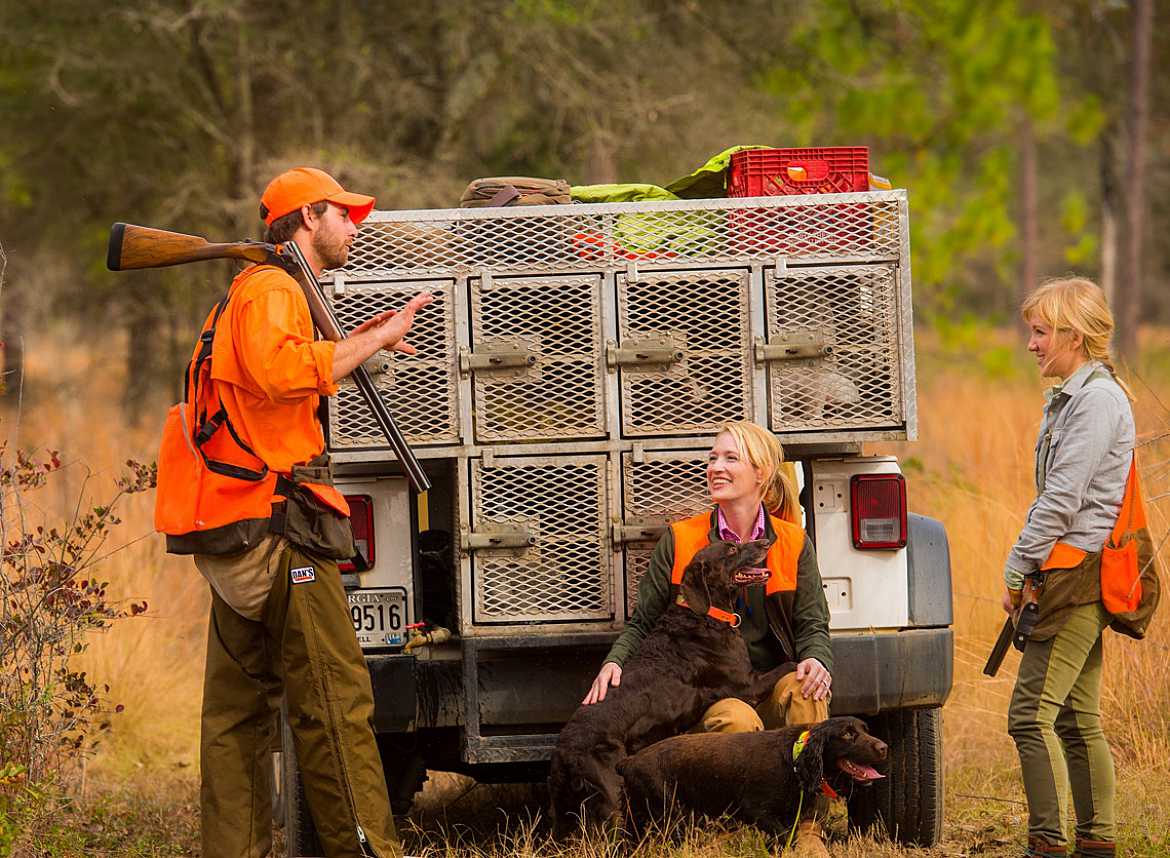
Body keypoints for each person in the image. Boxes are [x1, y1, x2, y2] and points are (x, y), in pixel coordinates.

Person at [155, 166, 432, 858]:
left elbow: (272, 374)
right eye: (343, 213)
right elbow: (283, 372)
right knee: (335, 704)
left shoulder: (249, 294)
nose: (353, 226)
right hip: (280, 529)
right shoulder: (275, 287)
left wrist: (358, 340)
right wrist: (374, 340)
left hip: (234, 527)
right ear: (307, 217)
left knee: (235, 719)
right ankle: (368, 851)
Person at [583, 420, 834, 856]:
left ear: (761, 474)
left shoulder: (792, 541)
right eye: (713, 458)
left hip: (769, 678)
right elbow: (643, 621)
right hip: (718, 689)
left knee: (806, 689)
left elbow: (813, 623)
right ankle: (728, 828)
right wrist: (614, 661)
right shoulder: (682, 539)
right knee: (734, 720)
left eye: (730, 458)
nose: (716, 467)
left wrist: (816, 659)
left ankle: (807, 825)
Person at [1004, 277, 1158, 858]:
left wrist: (1017, 568)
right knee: (1074, 717)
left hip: (1079, 577)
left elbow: (1063, 498)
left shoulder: (1095, 401)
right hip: (1072, 571)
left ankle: (1046, 844)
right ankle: (1096, 843)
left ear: (1073, 334)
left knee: (1028, 717)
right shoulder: (1078, 396)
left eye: (1041, 332)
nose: (1032, 344)